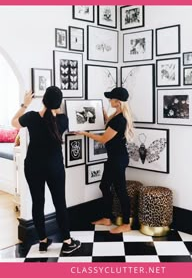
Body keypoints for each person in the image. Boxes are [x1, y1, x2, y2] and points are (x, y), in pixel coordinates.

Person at [11, 86, 81, 254]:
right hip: (54, 167)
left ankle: (42, 241)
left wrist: (25, 104)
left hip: (33, 166)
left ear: (43, 100)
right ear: (59, 103)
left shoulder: (32, 117)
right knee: (59, 203)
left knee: (37, 202)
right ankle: (67, 241)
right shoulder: (63, 120)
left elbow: (14, 123)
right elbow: (55, 115)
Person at [78, 87, 134, 234]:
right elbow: (108, 127)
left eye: (111, 99)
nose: (109, 101)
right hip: (114, 158)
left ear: (118, 101)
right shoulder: (116, 115)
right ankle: (107, 218)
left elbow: (103, 139)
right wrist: (102, 113)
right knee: (104, 186)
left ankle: (126, 224)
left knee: (121, 190)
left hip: (118, 159)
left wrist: (84, 133)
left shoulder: (120, 120)